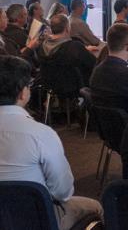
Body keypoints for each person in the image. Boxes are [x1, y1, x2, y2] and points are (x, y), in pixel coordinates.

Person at [0, 55, 103, 229]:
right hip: (37, 219)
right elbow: (63, 192)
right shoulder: (41, 134)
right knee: (96, 207)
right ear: (23, 92)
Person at [38, 14, 96, 86]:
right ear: (67, 28)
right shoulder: (75, 47)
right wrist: (85, 51)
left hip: (49, 87)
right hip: (72, 88)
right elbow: (93, 64)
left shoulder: (41, 46)